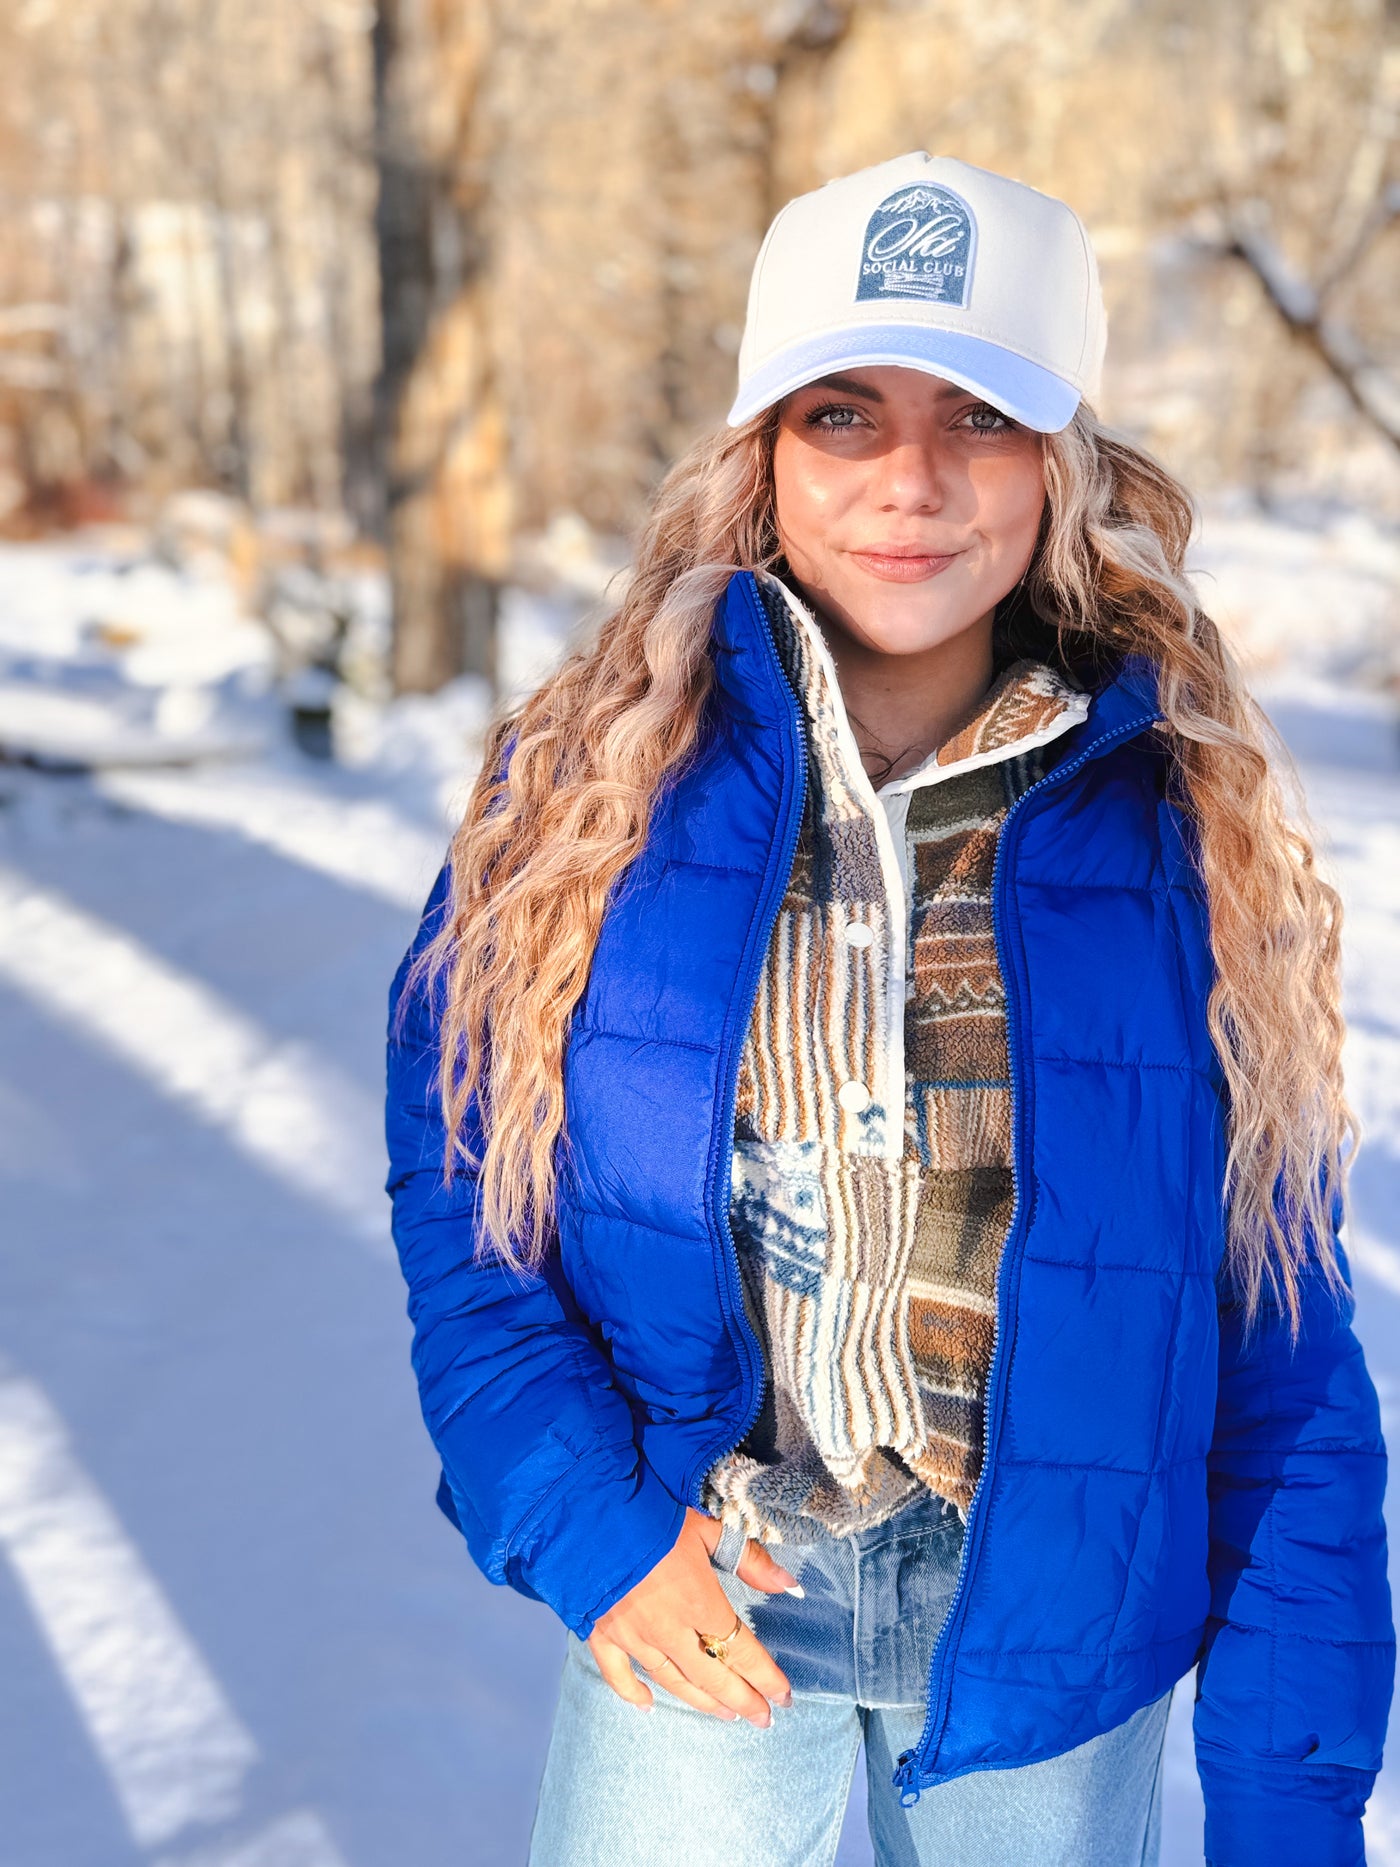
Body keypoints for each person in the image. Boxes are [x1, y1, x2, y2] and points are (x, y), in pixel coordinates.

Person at [383, 153, 1394, 1867]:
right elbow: (467, 1220)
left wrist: (1293, 1799)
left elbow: (1281, 1348)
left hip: (1054, 1626)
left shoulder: (1185, 834)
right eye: (843, 415)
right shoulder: (581, 801)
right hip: (707, 1582)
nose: (911, 481)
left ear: (1062, 463)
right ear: (762, 458)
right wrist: (592, 1532)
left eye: (980, 417)